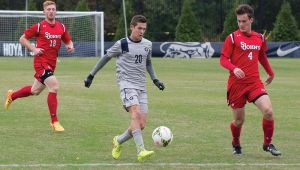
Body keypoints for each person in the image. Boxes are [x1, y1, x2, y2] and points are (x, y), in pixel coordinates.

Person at [84, 15, 165, 162]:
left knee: (141, 125)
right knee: (136, 114)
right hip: (126, 85)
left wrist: (155, 79)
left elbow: (148, 63)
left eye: (144, 29)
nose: (142, 31)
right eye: (139, 28)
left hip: (141, 86)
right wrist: (91, 75)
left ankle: (118, 141)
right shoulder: (122, 44)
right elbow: (106, 58)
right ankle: (141, 150)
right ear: (132, 27)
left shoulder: (148, 44)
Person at [220, 4, 281, 156]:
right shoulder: (232, 37)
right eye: (239, 21)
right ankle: (236, 143)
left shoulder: (259, 38)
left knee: (268, 111)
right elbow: (223, 59)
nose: (241, 24)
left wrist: (270, 72)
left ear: (251, 20)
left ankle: (267, 144)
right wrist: (234, 68)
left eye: (244, 21)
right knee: (239, 121)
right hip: (236, 85)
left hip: (254, 83)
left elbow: (261, 55)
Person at [4, 1, 74, 132]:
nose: (51, 11)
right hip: (41, 63)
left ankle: (12, 96)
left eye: (53, 9)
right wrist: (33, 49)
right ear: (44, 12)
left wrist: (70, 47)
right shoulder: (39, 26)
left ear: (56, 11)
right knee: (54, 87)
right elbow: (23, 38)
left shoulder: (62, 27)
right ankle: (54, 121)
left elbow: (67, 40)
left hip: (51, 64)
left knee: (35, 91)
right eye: (48, 9)